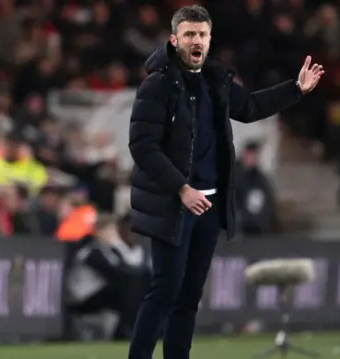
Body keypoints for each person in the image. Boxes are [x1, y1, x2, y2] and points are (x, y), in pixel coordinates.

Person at [127, 5, 323, 359]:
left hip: (209, 203)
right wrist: (181, 188)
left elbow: (249, 107)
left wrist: (296, 89)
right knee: (165, 291)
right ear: (174, 40)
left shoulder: (214, 81)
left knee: (189, 297)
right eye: (189, 34)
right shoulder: (158, 85)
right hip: (175, 202)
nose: (196, 40)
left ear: (210, 39)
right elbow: (142, 147)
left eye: (202, 34)